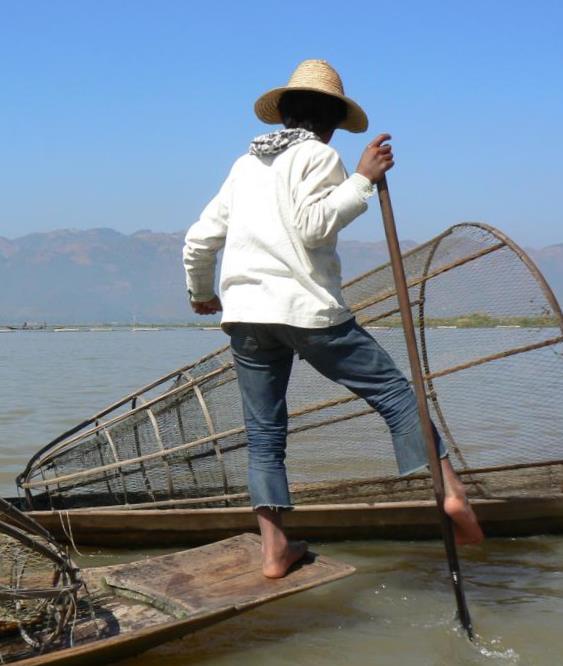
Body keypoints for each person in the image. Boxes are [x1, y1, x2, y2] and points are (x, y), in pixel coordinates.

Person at [183, 59, 484, 578]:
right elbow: (313, 227)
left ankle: (275, 550)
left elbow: (199, 240)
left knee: (264, 434)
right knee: (395, 395)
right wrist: (364, 180)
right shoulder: (321, 157)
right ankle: (452, 494)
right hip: (305, 311)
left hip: (247, 316)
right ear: (330, 122)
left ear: (285, 116)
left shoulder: (244, 165)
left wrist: (201, 292)